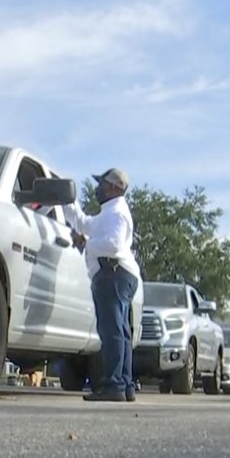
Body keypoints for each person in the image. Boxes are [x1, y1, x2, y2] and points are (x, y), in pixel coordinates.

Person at [63, 167, 141, 402]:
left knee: (112, 332)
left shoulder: (117, 213)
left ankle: (114, 385)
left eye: (103, 184)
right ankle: (124, 385)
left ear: (115, 188)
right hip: (118, 274)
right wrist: (67, 202)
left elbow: (113, 245)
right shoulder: (108, 213)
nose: (98, 188)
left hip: (113, 273)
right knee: (121, 333)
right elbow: (83, 222)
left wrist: (87, 244)